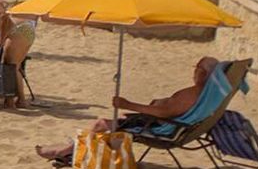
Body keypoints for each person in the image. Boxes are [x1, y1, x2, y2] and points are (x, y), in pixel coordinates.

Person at [37, 57, 218, 161]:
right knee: (119, 121)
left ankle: (64, 151)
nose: (194, 71)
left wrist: (128, 104)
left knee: (101, 124)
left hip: (160, 127)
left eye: (197, 68)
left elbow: (164, 112)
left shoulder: (192, 94)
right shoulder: (205, 94)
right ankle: (76, 148)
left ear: (202, 72)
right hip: (171, 125)